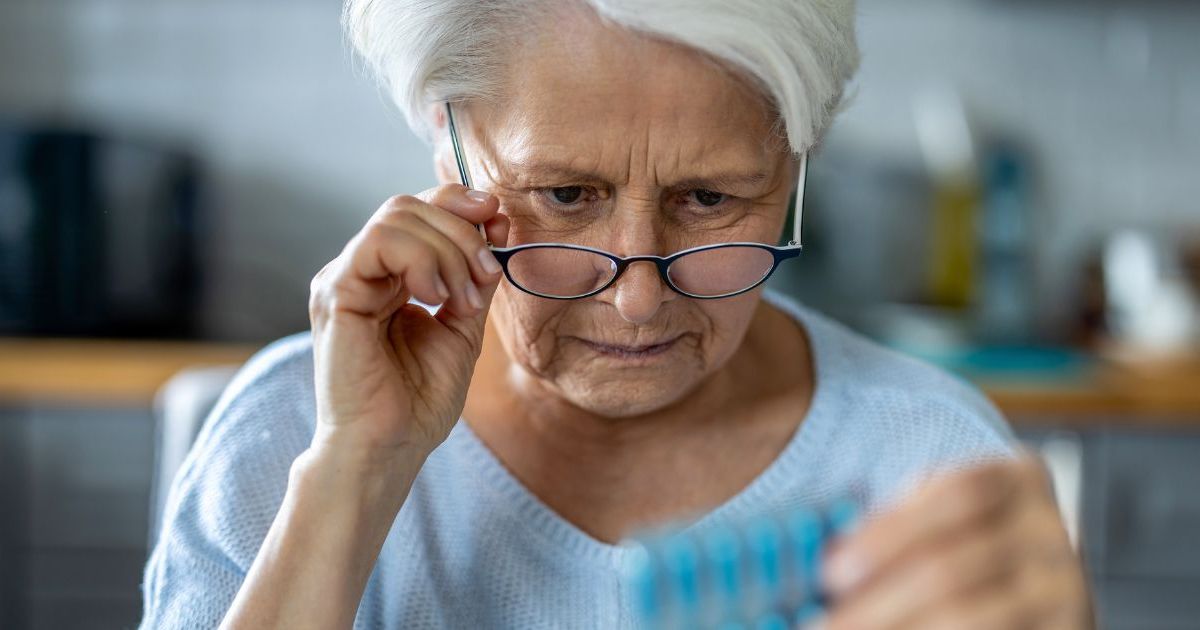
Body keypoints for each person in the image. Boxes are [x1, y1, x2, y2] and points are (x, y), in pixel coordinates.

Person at [140, 1, 1092, 628]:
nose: (639, 297)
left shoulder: (925, 458)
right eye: (563, 195)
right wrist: (354, 472)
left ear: (796, 168)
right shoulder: (289, 436)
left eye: (712, 201)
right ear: (453, 151)